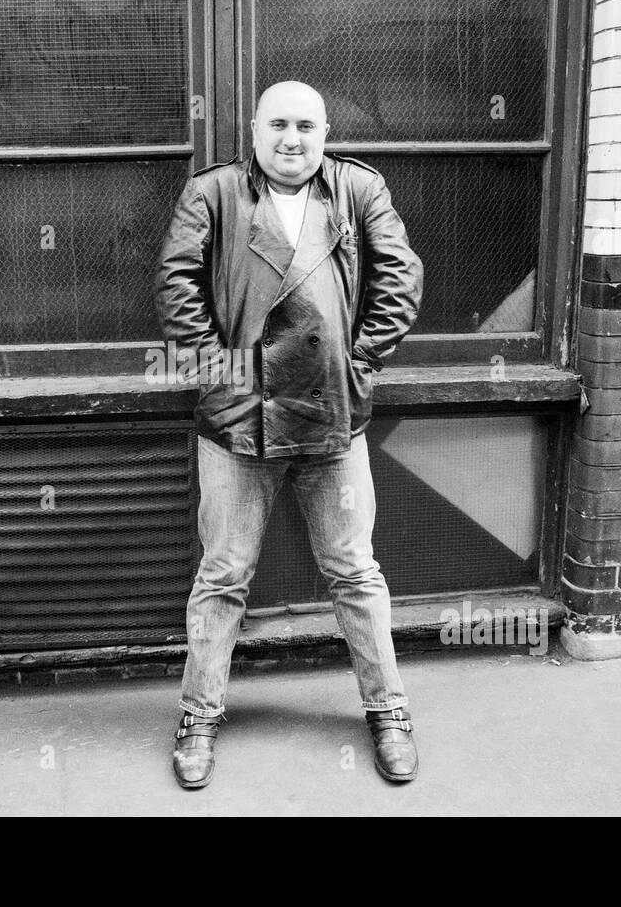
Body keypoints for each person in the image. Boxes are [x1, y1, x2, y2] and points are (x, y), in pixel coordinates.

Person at [153, 80, 425, 789]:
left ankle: (389, 711)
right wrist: (222, 373)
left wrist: (354, 365)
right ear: (254, 129)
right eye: (278, 125)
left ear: (325, 131)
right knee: (222, 575)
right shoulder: (212, 193)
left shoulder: (359, 191)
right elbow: (177, 285)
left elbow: (400, 279)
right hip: (238, 421)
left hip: (332, 418)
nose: (292, 139)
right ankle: (198, 716)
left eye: (306, 125)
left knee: (355, 573)